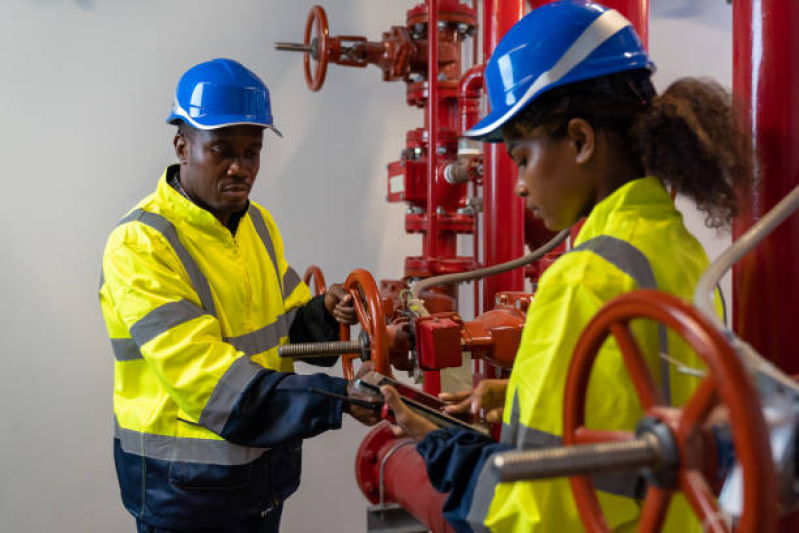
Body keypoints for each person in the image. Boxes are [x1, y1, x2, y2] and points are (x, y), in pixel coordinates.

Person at [378, 1, 746, 531]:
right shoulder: (679, 251)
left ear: (579, 139)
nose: (521, 184)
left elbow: (529, 511)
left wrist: (433, 447)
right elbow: (658, 399)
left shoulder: (581, 280)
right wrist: (517, 394)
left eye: (522, 157)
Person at [98, 58, 379, 533]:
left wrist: (329, 316)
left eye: (252, 152)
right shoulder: (141, 246)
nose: (239, 168)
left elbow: (285, 324)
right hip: (186, 497)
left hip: (261, 482)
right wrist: (337, 399)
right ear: (182, 146)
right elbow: (208, 382)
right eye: (221, 150)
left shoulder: (257, 225)